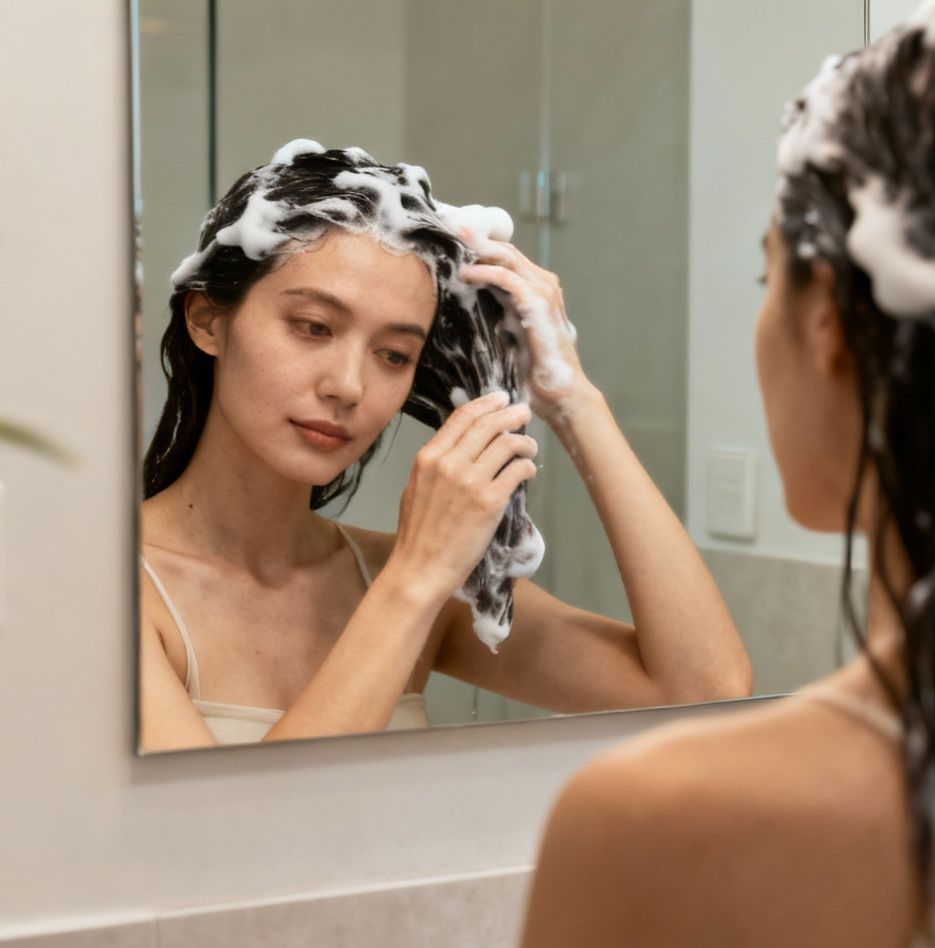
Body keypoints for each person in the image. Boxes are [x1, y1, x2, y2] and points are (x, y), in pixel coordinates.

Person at [493, 3, 935, 948]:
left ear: (828, 314)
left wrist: (571, 398)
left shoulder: (664, 831)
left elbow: (702, 682)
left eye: (765, 276)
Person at [140, 143, 749, 750]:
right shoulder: (109, 591)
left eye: (394, 355)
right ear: (207, 321)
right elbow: (230, 835)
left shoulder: (394, 580)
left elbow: (705, 691)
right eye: (313, 327)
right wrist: (415, 579)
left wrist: (572, 398)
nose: (349, 386)